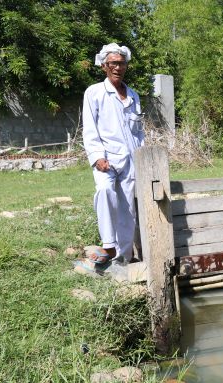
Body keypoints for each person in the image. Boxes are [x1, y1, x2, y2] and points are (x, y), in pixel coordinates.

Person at [81, 43, 144, 266]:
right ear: (104, 66)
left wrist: (142, 157)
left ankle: (124, 257)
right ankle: (109, 244)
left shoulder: (133, 95)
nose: (118, 67)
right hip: (106, 158)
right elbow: (89, 128)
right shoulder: (95, 92)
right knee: (105, 190)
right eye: (113, 63)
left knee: (128, 208)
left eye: (122, 63)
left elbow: (138, 131)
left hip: (130, 160)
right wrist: (97, 156)